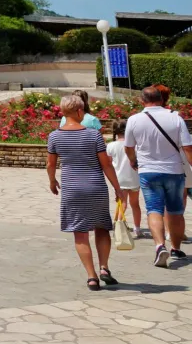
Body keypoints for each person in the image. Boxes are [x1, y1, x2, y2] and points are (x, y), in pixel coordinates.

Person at [47, 93, 122, 290]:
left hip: (72, 188)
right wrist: (117, 188)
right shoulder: (93, 134)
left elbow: (50, 164)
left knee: (80, 233)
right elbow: (106, 164)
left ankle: (91, 276)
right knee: (102, 227)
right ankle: (104, 267)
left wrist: (52, 181)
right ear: (80, 111)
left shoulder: (54, 136)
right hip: (95, 186)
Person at [126, 85, 192, 267]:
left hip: (148, 171)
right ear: (162, 100)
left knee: (154, 209)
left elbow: (128, 147)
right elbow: (187, 147)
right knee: (176, 211)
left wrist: (133, 162)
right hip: (174, 171)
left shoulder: (134, 120)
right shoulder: (175, 118)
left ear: (142, 100)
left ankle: (159, 245)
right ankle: (176, 248)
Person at [108, 118, 144, 237]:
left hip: (119, 178)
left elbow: (108, 164)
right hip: (134, 177)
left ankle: (119, 225)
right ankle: (137, 228)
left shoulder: (111, 146)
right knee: (135, 204)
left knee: (122, 203)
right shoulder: (134, 145)